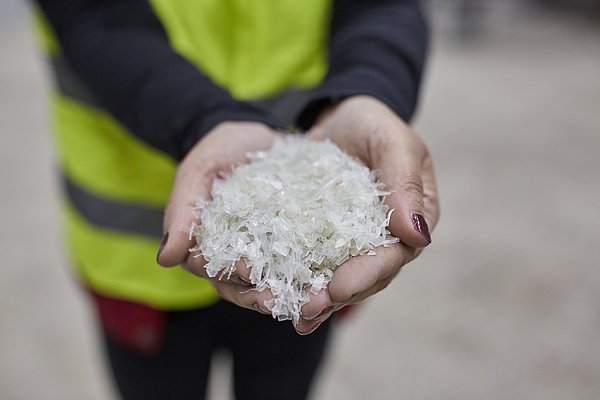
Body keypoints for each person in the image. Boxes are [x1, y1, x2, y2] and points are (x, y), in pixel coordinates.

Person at [34, 0, 439, 399]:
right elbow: (98, 21)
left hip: (302, 259)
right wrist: (203, 118)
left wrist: (368, 89)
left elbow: (381, 7)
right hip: (134, 256)